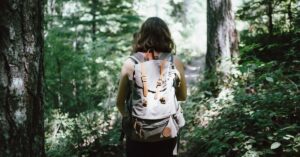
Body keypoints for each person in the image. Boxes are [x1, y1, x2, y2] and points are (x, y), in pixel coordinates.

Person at [116, 17, 187, 157]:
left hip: (138, 134)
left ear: (142, 36)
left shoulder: (131, 63)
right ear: (166, 35)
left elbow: (119, 103)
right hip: (167, 131)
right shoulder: (174, 61)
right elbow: (182, 96)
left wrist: (130, 118)